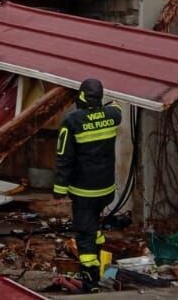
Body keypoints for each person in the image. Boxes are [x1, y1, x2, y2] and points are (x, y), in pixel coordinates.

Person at [54, 77, 121, 291]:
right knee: (94, 223)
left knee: (84, 234)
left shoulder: (72, 121)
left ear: (81, 96)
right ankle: (102, 254)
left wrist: (59, 187)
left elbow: (64, 156)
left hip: (84, 191)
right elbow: (116, 106)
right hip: (106, 189)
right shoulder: (113, 116)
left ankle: (90, 279)